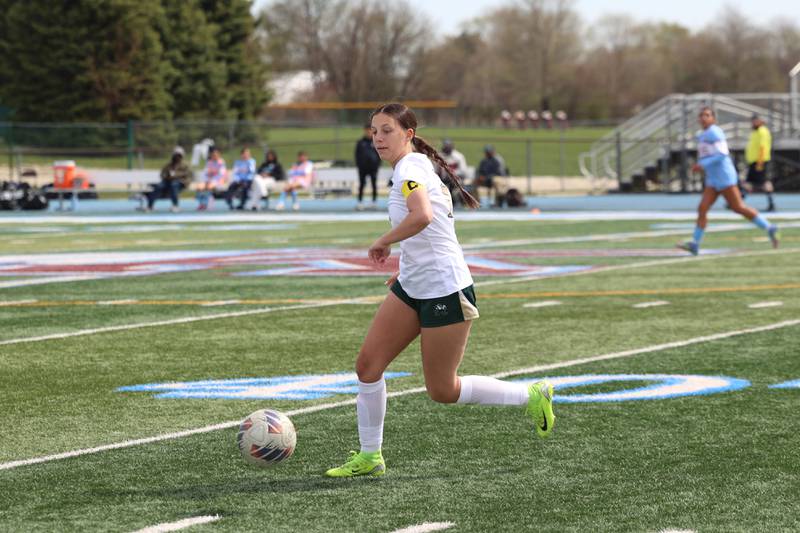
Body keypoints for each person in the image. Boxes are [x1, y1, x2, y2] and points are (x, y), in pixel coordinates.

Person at [324, 102, 555, 478]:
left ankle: (531, 395)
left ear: (408, 134)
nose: (378, 138)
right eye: (374, 131)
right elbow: (430, 230)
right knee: (368, 367)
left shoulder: (410, 168)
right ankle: (370, 457)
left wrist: (383, 241)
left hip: (445, 288)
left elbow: (422, 215)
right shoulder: (410, 168)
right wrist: (406, 268)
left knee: (443, 389)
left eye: (387, 130)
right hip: (414, 284)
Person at [678, 107, 779, 255]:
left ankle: (769, 227)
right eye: (701, 115)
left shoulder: (715, 132)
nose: (703, 118)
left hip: (724, 176)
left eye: (707, 115)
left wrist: (702, 164)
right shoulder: (702, 134)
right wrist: (702, 164)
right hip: (713, 178)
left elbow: (722, 154)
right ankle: (695, 243)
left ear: (713, 119)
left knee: (738, 207)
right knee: (702, 208)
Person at [142, 147, 192, 212]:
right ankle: (150, 206)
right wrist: (167, 177)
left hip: (181, 182)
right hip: (168, 181)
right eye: (176, 155)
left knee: (174, 185)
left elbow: (187, 174)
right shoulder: (169, 165)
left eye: (179, 156)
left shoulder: (185, 165)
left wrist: (176, 176)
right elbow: (162, 174)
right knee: (159, 186)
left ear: (182, 156)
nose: (177, 157)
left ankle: (175, 205)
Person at [744, 114, 775, 212]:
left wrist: (760, 162)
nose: (753, 123)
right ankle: (738, 202)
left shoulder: (763, 131)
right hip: (753, 161)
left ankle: (771, 204)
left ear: (761, 121)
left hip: (760, 161)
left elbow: (763, 148)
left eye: (755, 121)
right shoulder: (755, 131)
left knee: (765, 182)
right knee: (748, 182)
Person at [355, 123, 381, 210]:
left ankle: (374, 202)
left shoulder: (375, 141)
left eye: (370, 130)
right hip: (363, 168)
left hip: (373, 168)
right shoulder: (360, 142)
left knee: (374, 184)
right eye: (367, 130)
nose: (368, 132)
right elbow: (357, 155)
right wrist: (359, 165)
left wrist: (377, 164)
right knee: (362, 184)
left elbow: (379, 154)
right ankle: (360, 202)